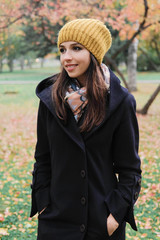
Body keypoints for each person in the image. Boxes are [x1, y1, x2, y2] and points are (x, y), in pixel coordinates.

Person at [30, 19, 141, 240]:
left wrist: (115, 215)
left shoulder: (120, 103)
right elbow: (43, 159)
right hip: (56, 222)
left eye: (76, 48)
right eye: (62, 50)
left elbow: (130, 169)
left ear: (94, 52)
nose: (66, 57)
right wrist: (43, 203)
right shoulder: (50, 100)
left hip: (101, 224)